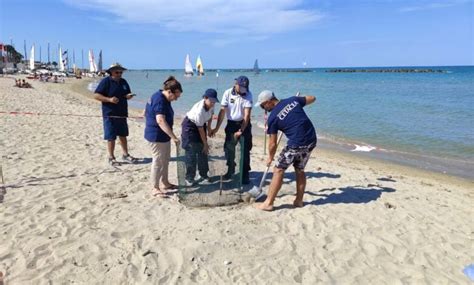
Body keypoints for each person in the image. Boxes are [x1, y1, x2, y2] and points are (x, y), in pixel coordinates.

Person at [253, 90, 317, 211]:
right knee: (300, 169)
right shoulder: (293, 100)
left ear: (269, 102)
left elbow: (272, 144)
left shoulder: (272, 118)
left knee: (278, 170)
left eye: (263, 106)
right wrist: (297, 104)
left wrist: (270, 158)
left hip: (296, 143)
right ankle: (299, 201)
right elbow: (312, 98)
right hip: (311, 140)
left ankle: (269, 203)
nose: (264, 109)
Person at [144, 76, 182, 197]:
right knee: (158, 161)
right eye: (176, 96)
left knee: (165, 159)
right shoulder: (159, 99)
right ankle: (155, 188)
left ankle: (165, 182)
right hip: (156, 136)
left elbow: (146, 110)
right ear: (169, 91)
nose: (176, 99)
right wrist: (174, 137)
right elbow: (160, 120)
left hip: (163, 136)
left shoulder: (161, 96)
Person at [211, 76, 253, 184]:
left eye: (245, 87)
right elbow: (222, 112)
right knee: (228, 149)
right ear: (236, 84)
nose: (244, 89)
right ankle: (230, 169)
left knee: (245, 150)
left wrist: (241, 130)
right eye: (242, 87)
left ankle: (245, 174)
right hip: (231, 124)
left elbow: (247, 115)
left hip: (244, 124)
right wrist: (216, 128)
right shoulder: (228, 93)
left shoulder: (248, 94)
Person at [94, 63, 137, 166]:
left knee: (123, 135)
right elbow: (96, 95)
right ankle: (111, 157)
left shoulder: (123, 82)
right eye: (117, 72)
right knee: (111, 136)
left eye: (121, 72)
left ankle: (125, 155)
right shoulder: (105, 82)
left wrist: (128, 96)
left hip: (122, 113)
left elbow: (126, 94)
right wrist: (109, 99)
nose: (119, 74)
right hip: (110, 114)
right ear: (111, 72)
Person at [181, 89, 219, 185]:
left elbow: (211, 115)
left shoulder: (211, 106)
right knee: (191, 153)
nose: (213, 104)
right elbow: (200, 129)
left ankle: (203, 175)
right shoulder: (199, 111)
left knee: (203, 152)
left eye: (214, 101)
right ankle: (189, 178)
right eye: (211, 101)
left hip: (201, 125)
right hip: (190, 127)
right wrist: (205, 144)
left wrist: (210, 128)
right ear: (205, 98)